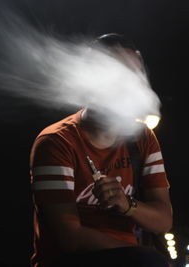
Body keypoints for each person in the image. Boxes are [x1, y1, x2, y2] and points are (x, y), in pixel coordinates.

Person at [29, 33, 173, 267]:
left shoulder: (143, 137)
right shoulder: (55, 142)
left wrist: (127, 205)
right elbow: (70, 238)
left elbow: (164, 221)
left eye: (133, 77)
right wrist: (143, 257)